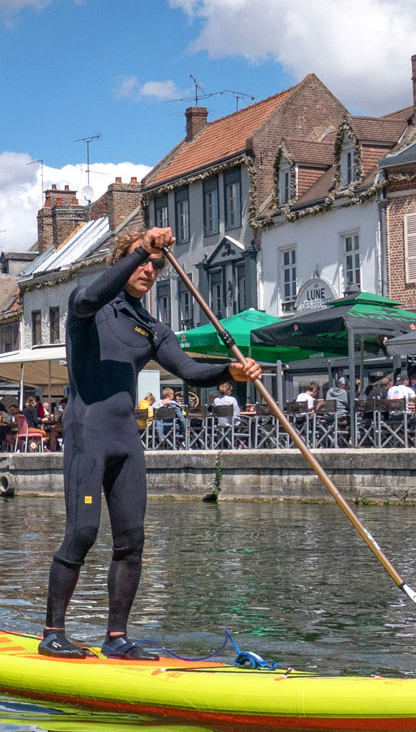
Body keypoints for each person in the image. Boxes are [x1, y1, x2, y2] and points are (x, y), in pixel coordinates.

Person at [41, 226, 261, 660]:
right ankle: (53, 632)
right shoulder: (87, 307)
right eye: (142, 262)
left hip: (126, 440)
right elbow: (89, 298)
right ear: (123, 260)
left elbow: (190, 371)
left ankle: (117, 638)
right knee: (83, 532)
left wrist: (228, 374)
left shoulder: (152, 328)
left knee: (132, 540)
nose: (149, 269)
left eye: (156, 266)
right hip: (88, 433)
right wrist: (143, 245)